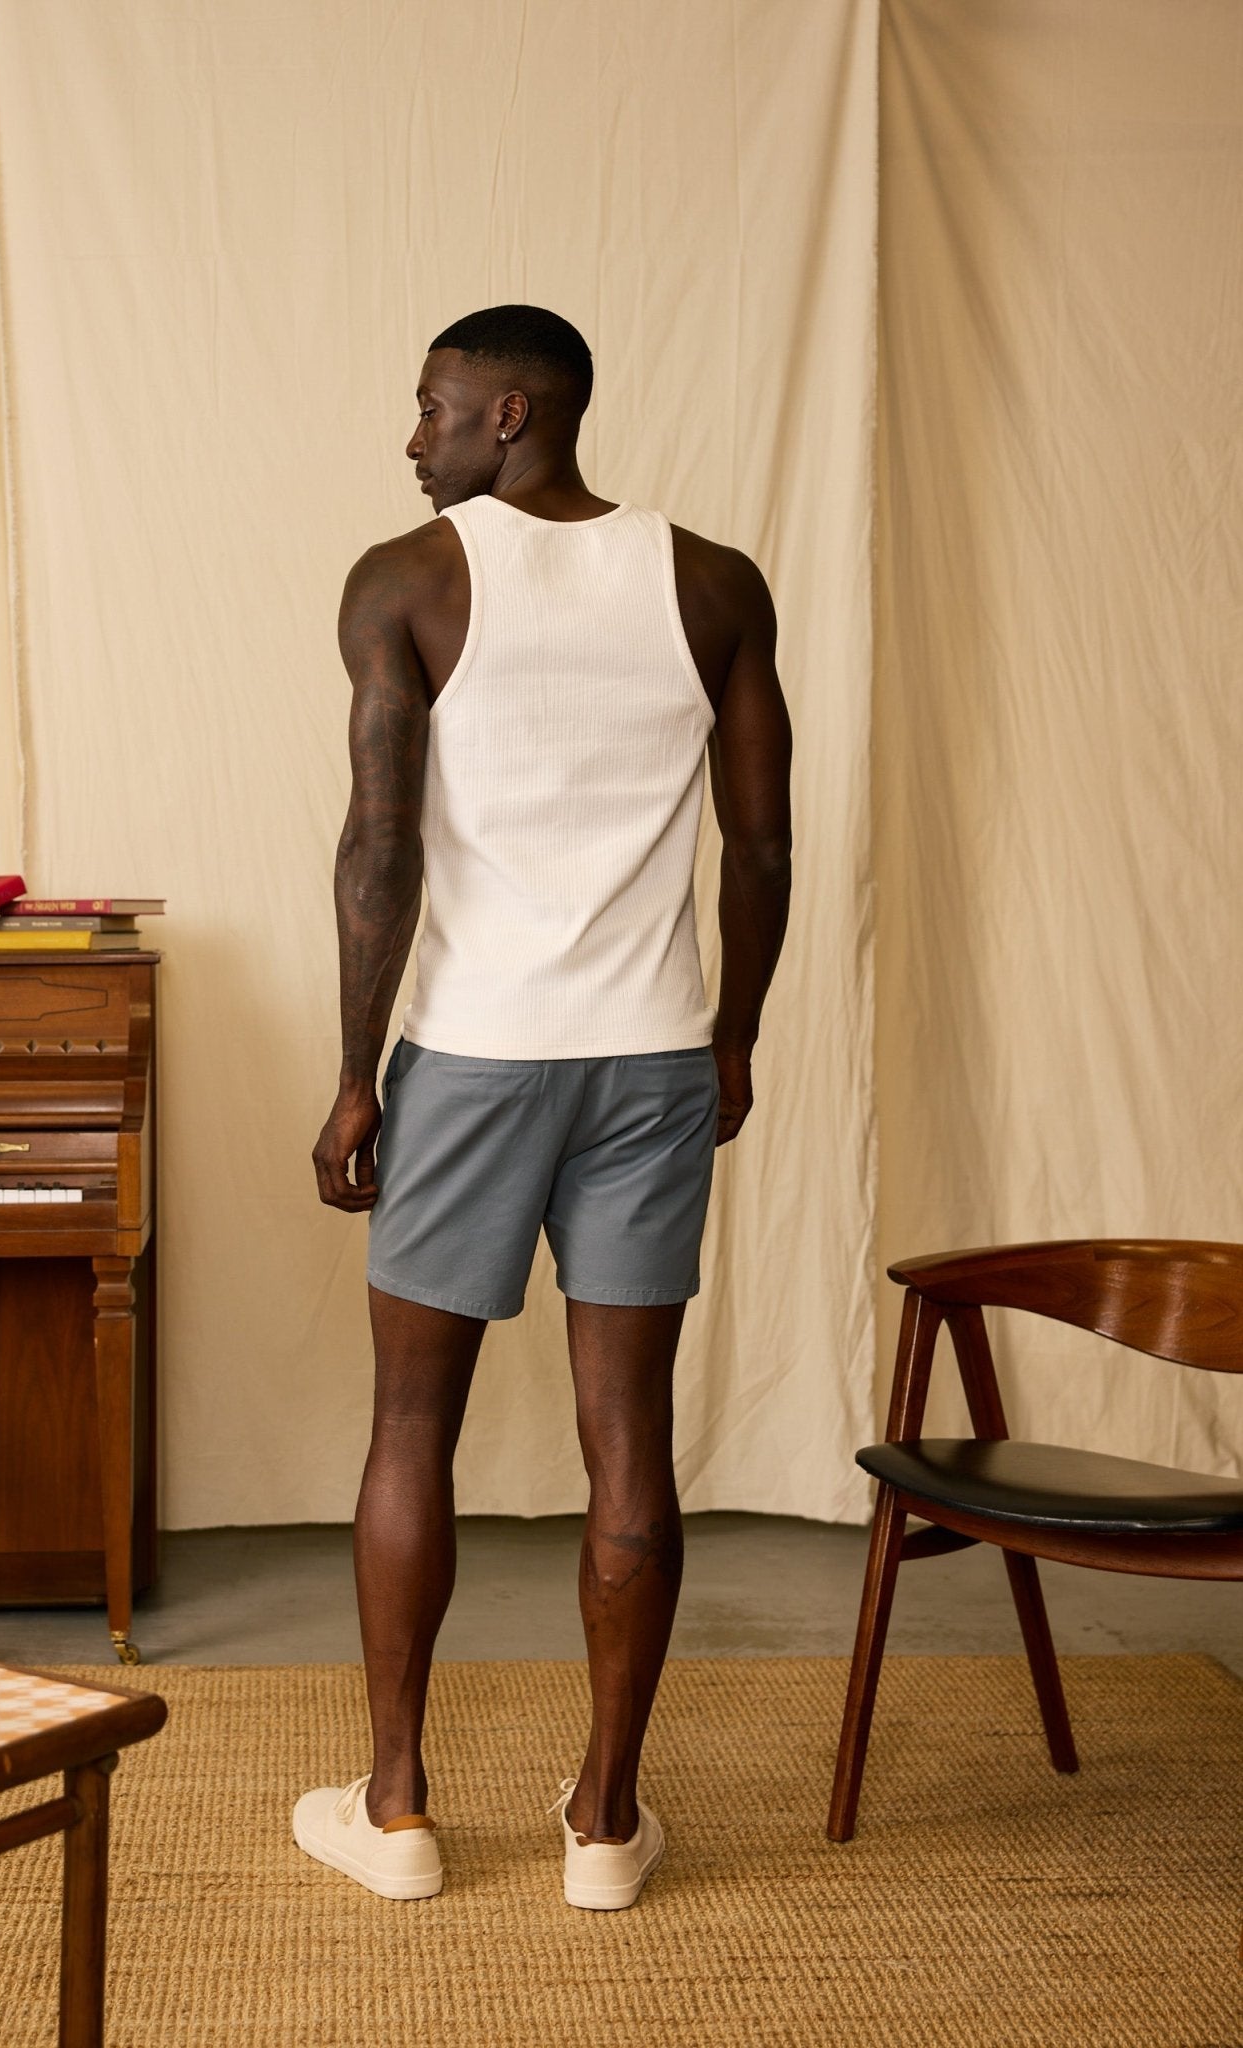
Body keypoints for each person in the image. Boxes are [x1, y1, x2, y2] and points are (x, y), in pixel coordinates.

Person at [296, 304, 792, 1910]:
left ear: (508, 413)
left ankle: (395, 1811)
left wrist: (355, 1077)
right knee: (628, 1437)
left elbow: (380, 846)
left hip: (473, 1055)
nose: (412, 437)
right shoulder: (710, 583)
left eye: (430, 406)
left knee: (408, 1426)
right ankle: (602, 1824)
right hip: (650, 1057)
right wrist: (730, 1038)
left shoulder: (405, 580)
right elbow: (761, 845)